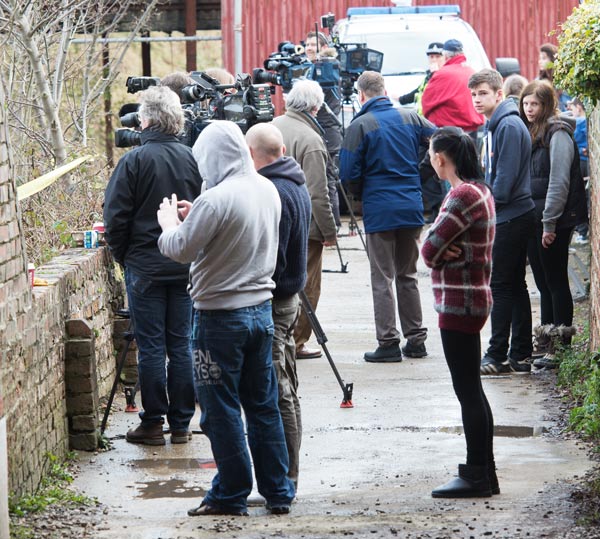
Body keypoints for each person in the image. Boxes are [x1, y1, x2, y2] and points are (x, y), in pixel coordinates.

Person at [157, 120, 295, 516]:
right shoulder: (266, 188)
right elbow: (229, 229)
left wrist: (171, 223)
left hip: (219, 319)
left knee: (220, 411)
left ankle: (230, 492)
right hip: (261, 314)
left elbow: (180, 248)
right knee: (263, 406)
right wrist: (195, 212)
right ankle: (278, 491)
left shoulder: (215, 199)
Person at [103, 86, 202, 446]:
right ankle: (181, 423)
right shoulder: (192, 158)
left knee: (151, 347)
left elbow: (115, 217)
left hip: (145, 264)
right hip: (184, 263)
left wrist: (124, 255)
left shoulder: (134, 161)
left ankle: (153, 421)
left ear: (145, 120)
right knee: (181, 345)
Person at [421, 127, 497, 498]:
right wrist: (440, 248)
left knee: (466, 389)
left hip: (460, 301)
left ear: (441, 158)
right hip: (470, 298)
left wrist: (438, 248)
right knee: (473, 388)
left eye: (431, 154)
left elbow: (428, 249)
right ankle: (485, 471)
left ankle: (476, 474)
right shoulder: (478, 190)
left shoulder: (461, 195)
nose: (430, 161)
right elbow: (436, 247)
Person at [340, 71, 434, 362]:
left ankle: (389, 342)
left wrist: (361, 191)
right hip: (411, 205)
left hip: (380, 208)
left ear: (362, 95)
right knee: (407, 274)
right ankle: (416, 339)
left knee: (382, 277)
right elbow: (442, 141)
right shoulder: (411, 117)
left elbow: (346, 173)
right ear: (384, 90)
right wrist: (420, 171)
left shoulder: (360, 125)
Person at [245, 123, 311, 490]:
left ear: (253, 155)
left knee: (278, 387)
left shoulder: (274, 191)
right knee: (285, 383)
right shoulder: (294, 182)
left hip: (276, 299)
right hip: (289, 297)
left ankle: (287, 474)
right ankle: (287, 470)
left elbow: (273, 255)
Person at [468, 69, 536, 375]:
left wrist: (483, 210)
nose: (476, 100)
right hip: (515, 213)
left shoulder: (507, 125)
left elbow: (504, 183)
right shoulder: (499, 124)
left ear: (499, 94)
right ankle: (520, 353)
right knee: (515, 285)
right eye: (473, 94)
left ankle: (497, 355)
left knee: (501, 286)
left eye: (482, 93)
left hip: (511, 215)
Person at [519, 80, 587, 369]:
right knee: (543, 283)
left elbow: (558, 182)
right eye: (525, 103)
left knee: (556, 281)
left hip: (555, 221)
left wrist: (549, 223)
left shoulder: (558, 134)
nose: (529, 109)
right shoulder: (532, 133)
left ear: (547, 105)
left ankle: (560, 346)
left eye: (534, 104)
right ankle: (546, 342)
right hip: (536, 219)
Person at [272, 79, 338, 360]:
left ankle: (277, 334)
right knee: (307, 283)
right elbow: (318, 193)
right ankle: (297, 340)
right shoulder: (311, 140)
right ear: (316, 107)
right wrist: (329, 230)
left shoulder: (271, 127)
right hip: (304, 225)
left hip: (270, 217)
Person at [305, 30, 343, 229]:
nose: (309, 48)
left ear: (324, 48)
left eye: (314, 44)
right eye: (307, 44)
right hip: (313, 129)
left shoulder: (328, 68)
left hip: (327, 131)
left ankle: (333, 223)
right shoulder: (311, 68)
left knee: (327, 178)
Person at [421, 39, 484, 142]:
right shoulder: (472, 72)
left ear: (445, 56)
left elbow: (426, 103)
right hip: (472, 133)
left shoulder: (442, 74)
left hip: (448, 134)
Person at [398, 42, 445, 113]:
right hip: (425, 119)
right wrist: (401, 99)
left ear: (445, 58)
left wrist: (435, 74)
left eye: (438, 57)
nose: (434, 60)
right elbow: (419, 91)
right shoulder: (429, 75)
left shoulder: (446, 75)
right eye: (431, 57)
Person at [567, 97, 589, 244]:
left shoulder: (579, 122)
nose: (571, 111)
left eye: (573, 108)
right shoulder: (585, 122)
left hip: (580, 161)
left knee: (578, 193)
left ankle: (581, 230)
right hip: (584, 160)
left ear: (579, 108)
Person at [538, 43, 570, 112]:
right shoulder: (538, 81)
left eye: (543, 58)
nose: (540, 61)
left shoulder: (563, 82)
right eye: (540, 58)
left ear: (552, 60)